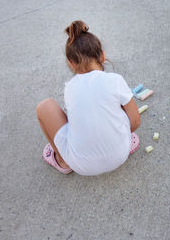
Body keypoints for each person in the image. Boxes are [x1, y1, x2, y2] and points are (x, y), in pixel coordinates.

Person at [36, 20, 140, 175]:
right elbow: (136, 121)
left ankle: (63, 161)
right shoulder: (115, 80)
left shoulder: (70, 88)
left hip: (82, 166)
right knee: (116, 103)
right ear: (103, 56)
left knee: (44, 107)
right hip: (120, 154)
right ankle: (124, 141)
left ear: (71, 63)